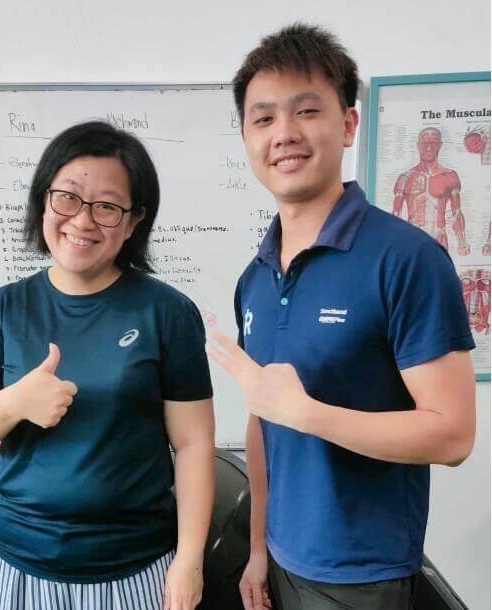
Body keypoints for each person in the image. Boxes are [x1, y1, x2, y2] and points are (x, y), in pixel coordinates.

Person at [207, 24, 476, 610]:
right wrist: (256, 548)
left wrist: (307, 413)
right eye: (263, 118)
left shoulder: (407, 258)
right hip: (278, 556)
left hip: (365, 574)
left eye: (306, 111)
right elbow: (263, 421)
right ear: (247, 136)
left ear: (348, 123)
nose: (285, 134)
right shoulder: (255, 277)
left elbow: (453, 435)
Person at [0, 121, 215, 610]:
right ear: (43, 201)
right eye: (67, 197)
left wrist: (189, 558)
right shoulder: (4, 309)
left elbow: (193, 443)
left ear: (133, 222)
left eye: (107, 206)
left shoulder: (167, 313)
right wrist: (16, 402)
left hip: (135, 565)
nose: (83, 221)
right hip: (19, 560)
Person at [393, 127, 470, 255]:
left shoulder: (449, 176)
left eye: (433, 143)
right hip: (413, 239)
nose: (429, 147)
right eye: (425, 143)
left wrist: (462, 242)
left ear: (440, 145)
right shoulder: (405, 178)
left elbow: (456, 212)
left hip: (439, 238)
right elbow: (396, 214)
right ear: (418, 146)